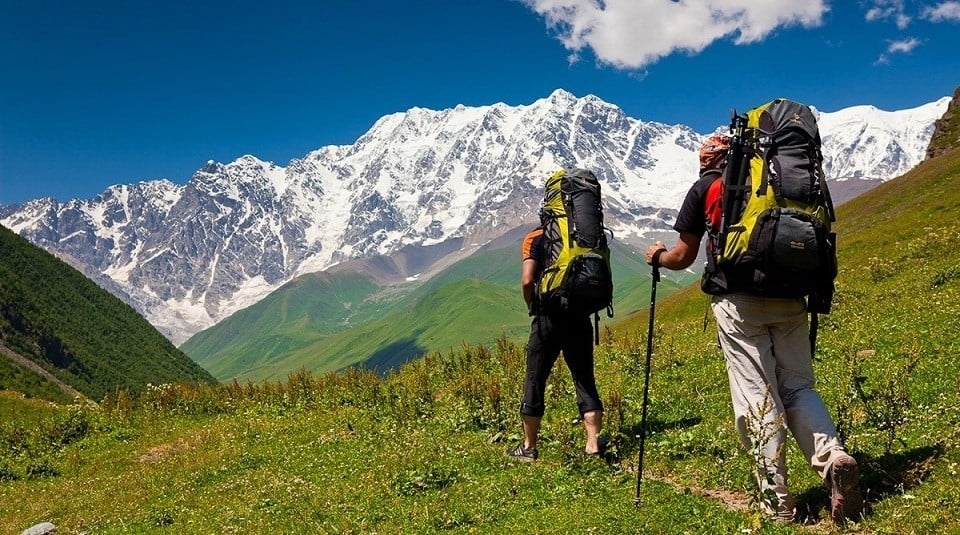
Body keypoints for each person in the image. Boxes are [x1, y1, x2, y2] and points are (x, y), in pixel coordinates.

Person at [644, 134, 863, 524]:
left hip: (739, 301)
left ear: (707, 160)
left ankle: (778, 503)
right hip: (792, 298)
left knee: (757, 398)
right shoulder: (780, 184)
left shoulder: (708, 187)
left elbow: (683, 255)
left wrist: (658, 256)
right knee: (798, 387)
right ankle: (834, 460)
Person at [505, 225, 604, 461]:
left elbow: (528, 281)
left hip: (547, 318)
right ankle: (593, 445)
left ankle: (529, 447)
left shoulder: (536, 236)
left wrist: (533, 306)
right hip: (580, 317)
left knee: (535, 380)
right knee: (584, 380)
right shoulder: (585, 234)